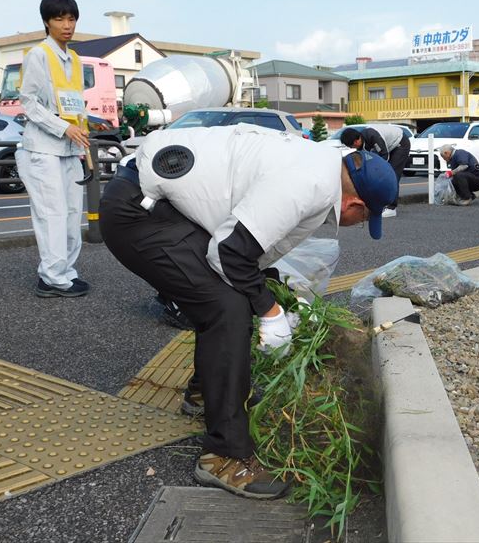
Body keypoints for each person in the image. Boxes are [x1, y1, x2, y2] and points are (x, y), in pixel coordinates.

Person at [99, 124, 397, 500]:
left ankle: (206, 395)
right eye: (363, 220)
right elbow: (228, 253)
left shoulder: (320, 165)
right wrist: (270, 312)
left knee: (232, 296)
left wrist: (276, 295)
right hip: (137, 212)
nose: (356, 225)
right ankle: (223, 455)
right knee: (227, 308)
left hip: (166, 205)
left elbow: (247, 248)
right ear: (355, 205)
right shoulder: (311, 184)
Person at [16, 0, 90, 298]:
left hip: (70, 149)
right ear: (47, 22)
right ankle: (51, 278)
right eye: (59, 18)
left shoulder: (73, 57)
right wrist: (63, 128)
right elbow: (29, 103)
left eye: (71, 18)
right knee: (53, 215)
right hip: (43, 149)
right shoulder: (39, 55)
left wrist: (84, 131)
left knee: (73, 214)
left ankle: (65, 273)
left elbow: (73, 104)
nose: (67, 24)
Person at [340, 124, 410, 218]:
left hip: (400, 143)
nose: (352, 148)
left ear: (357, 140)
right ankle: (377, 204)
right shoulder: (360, 145)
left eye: (352, 145)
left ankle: (391, 208)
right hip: (388, 146)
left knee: (392, 174)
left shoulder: (373, 136)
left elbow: (384, 156)